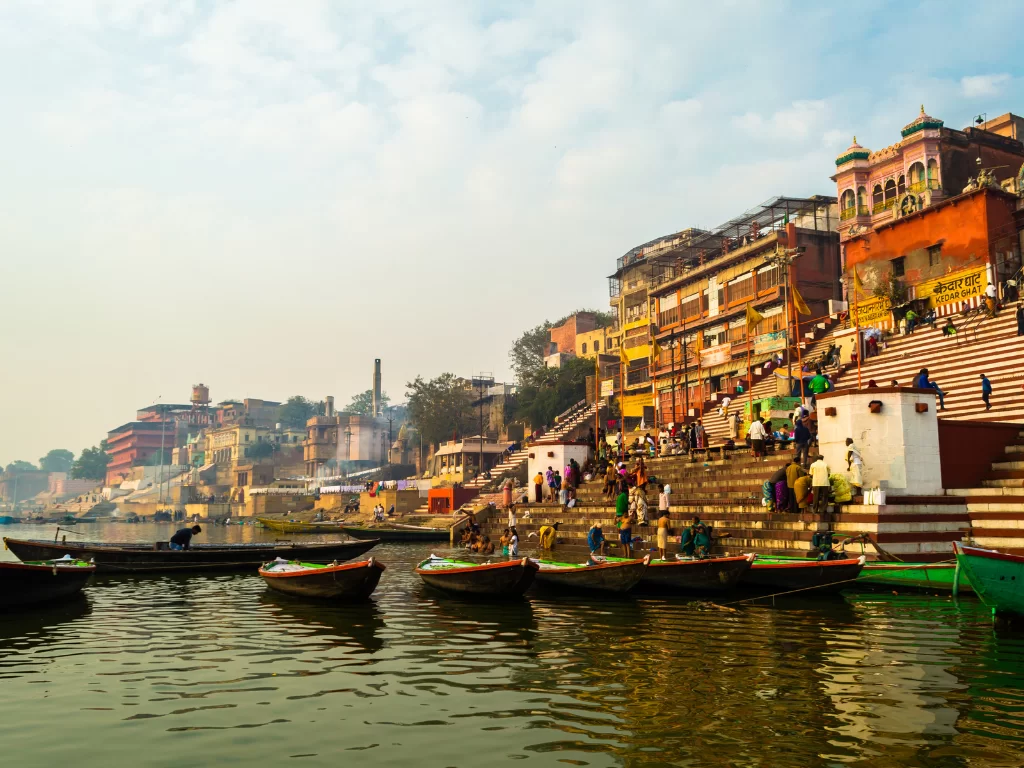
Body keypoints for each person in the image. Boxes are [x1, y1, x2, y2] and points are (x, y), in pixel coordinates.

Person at [809, 455, 831, 519]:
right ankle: (823, 509)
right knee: (825, 497)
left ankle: (815, 509)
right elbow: (829, 474)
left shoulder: (813, 465)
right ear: (822, 458)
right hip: (824, 482)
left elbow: (811, 474)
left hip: (816, 482)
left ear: (816, 458)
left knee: (816, 496)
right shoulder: (826, 464)